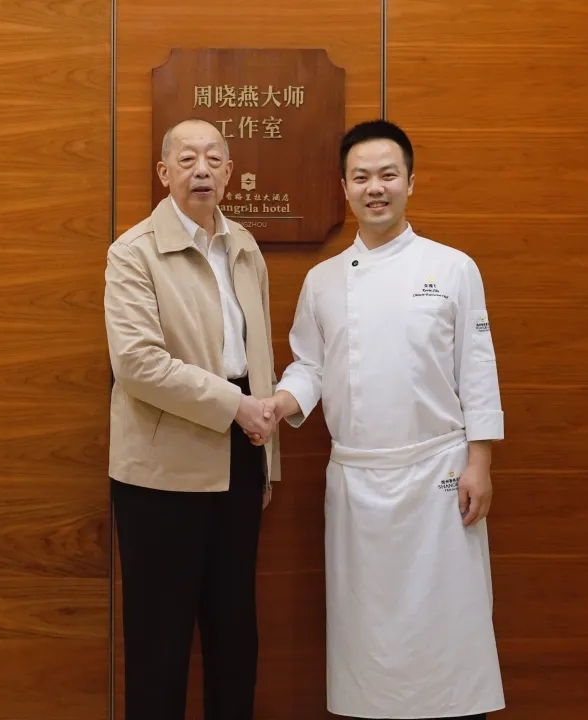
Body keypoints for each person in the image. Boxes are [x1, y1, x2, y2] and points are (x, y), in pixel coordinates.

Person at [251, 119, 505, 719]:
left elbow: (477, 368)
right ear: (344, 187)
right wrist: (279, 403)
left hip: (440, 477)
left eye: (388, 175)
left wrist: (480, 462)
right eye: (361, 177)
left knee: (449, 625)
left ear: (411, 182)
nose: (375, 188)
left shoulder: (453, 268)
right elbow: (310, 366)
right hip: (358, 484)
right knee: (367, 634)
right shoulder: (323, 281)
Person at [103, 117, 281, 720]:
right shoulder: (133, 252)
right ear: (164, 172)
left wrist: (266, 462)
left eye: (212, 159)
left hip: (241, 452)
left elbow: (259, 356)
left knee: (235, 634)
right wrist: (235, 406)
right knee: (160, 642)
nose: (201, 169)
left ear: (229, 172)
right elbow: (137, 365)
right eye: (186, 159)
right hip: (161, 467)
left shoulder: (244, 247)